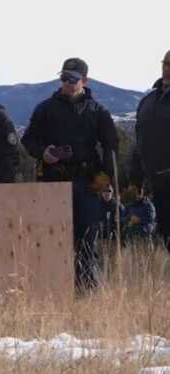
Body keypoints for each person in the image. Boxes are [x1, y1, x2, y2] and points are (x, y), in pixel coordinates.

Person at [21, 58, 119, 292]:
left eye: (72, 79)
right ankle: (53, 290)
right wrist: (43, 153)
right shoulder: (45, 108)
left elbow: (111, 147)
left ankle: (87, 292)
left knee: (87, 240)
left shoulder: (98, 112)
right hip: (53, 181)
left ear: (84, 81)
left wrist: (108, 180)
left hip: (87, 183)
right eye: (63, 77)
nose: (66, 83)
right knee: (53, 239)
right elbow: (28, 140)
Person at [130, 50, 170, 251]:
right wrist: (135, 179)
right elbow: (140, 142)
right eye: (166, 64)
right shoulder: (148, 101)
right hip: (157, 182)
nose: (167, 69)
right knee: (166, 235)